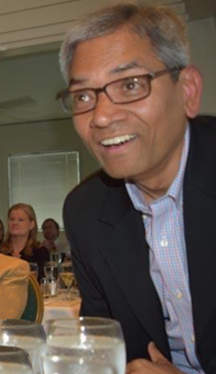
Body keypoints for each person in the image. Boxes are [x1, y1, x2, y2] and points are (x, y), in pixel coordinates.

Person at [58, 4, 212, 374]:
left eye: (130, 85)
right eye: (83, 96)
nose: (102, 116)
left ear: (188, 90)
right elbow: (104, 346)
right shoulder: (85, 211)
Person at [0, 203, 49, 281]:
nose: (15, 223)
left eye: (20, 220)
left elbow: (42, 283)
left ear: (31, 225)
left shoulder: (40, 252)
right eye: (12, 219)